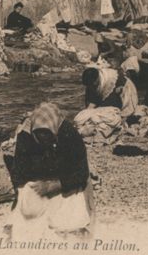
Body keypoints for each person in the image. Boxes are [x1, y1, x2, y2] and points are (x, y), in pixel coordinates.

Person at [8, 102, 95, 240]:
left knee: (69, 220)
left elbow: (81, 171)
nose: (43, 139)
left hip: (63, 179)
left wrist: (55, 185)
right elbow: (18, 172)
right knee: (27, 216)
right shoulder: (26, 135)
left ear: (54, 130)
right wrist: (30, 189)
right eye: (39, 134)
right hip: (39, 181)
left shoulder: (68, 133)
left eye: (47, 134)